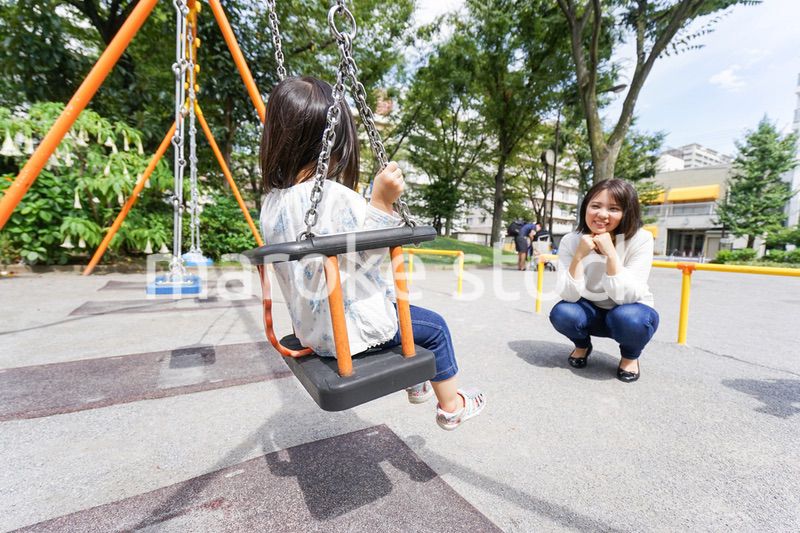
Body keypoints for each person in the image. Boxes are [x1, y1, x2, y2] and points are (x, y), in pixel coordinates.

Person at [259, 76, 485, 428]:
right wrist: (381, 202)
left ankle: (416, 383)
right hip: (349, 332)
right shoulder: (335, 196)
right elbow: (369, 258)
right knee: (434, 328)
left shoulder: (271, 204)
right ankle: (452, 406)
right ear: (336, 142)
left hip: (311, 331)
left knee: (393, 302)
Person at [548, 179, 659, 383]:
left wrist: (610, 254)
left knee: (630, 318)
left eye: (614, 208)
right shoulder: (571, 241)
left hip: (628, 311)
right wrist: (579, 256)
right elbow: (568, 295)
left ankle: (630, 356)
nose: (602, 214)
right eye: (595, 206)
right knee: (563, 313)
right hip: (590, 311)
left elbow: (627, 297)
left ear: (627, 213)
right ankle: (582, 346)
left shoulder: (641, 239)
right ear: (586, 208)